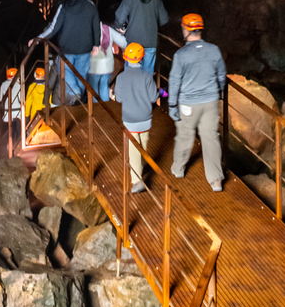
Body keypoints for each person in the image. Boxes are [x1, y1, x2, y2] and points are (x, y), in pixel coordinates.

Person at [169, 13, 226, 192]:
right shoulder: (214, 50)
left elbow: (174, 81)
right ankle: (215, 180)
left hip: (188, 104)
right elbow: (221, 75)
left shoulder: (181, 55)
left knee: (185, 136)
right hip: (210, 102)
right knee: (211, 138)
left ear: (185, 30)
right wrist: (217, 90)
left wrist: (172, 104)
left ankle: (178, 170)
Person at [30, 0, 99, 104]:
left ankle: (75, 93)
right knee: (81, 74)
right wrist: (96, 45)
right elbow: (96, 26)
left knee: (65, 70)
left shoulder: (64, 6)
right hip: (85, 48)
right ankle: (78, 100)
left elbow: (53, 27)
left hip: (67, 48)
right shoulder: (90, 4)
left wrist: (39, 37)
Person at [112, 42, 159, 194]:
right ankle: (141, 165)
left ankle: (137, 181)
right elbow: (153, 97)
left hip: (130, 119)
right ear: (141, 58)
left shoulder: (121, 77)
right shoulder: (147, 76)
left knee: (133, 149)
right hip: (145, 118)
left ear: (126, 58)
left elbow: (119, 98)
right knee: (143, 144)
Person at [114, 0, 168, 75]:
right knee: (147, 75)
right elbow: (164, 19)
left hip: (133, 42)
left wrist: (121, 28)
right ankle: (146, 85)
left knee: (130, 73)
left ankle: (130, 85)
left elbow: (119, 19)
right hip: (150, 42)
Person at [88, 21, 127, 101]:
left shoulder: (88, 29)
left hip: (94, 65)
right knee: (105, 86)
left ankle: (95, 107)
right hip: (107, 64)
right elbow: (123, 42)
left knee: (94, 88)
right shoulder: (107, 29)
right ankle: (105, 105)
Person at [0, 66, 23, 137]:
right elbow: (21, 99)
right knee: (19, 132)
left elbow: (1, 99)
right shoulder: (18, 85)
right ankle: (19, 142)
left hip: (7, 113)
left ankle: (9, 142)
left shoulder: (3, 85)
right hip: (17, 112)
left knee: (10, 133)